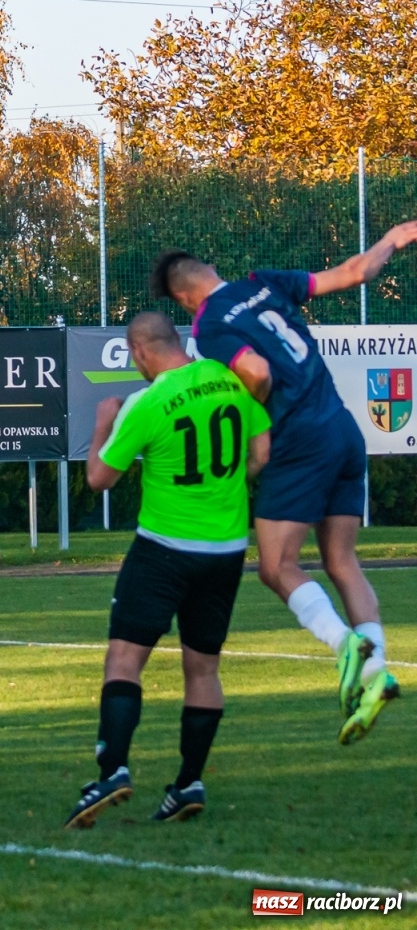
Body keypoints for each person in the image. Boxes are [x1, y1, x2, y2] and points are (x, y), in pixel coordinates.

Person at [152, 226, 417, 744]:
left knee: (276, 568)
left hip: (299, 441)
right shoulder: (264, 283)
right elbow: (355, 272)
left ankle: (350, 651)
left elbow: (255, 372)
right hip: (343, 429)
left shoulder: (210, 325)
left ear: (184, 298)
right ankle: (375, 672)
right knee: (342, 563)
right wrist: (398, 236)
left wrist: (263, 432)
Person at [63, 311, 270, 829]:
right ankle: (188, 781)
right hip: (224, 552)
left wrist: (103, 421)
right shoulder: (230, 380)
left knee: (125, 661)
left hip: (162, 551)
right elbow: (261, 452)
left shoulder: (146, 402)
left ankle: (112, 771)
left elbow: (98, 479)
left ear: (138, 352)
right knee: (203, 668)